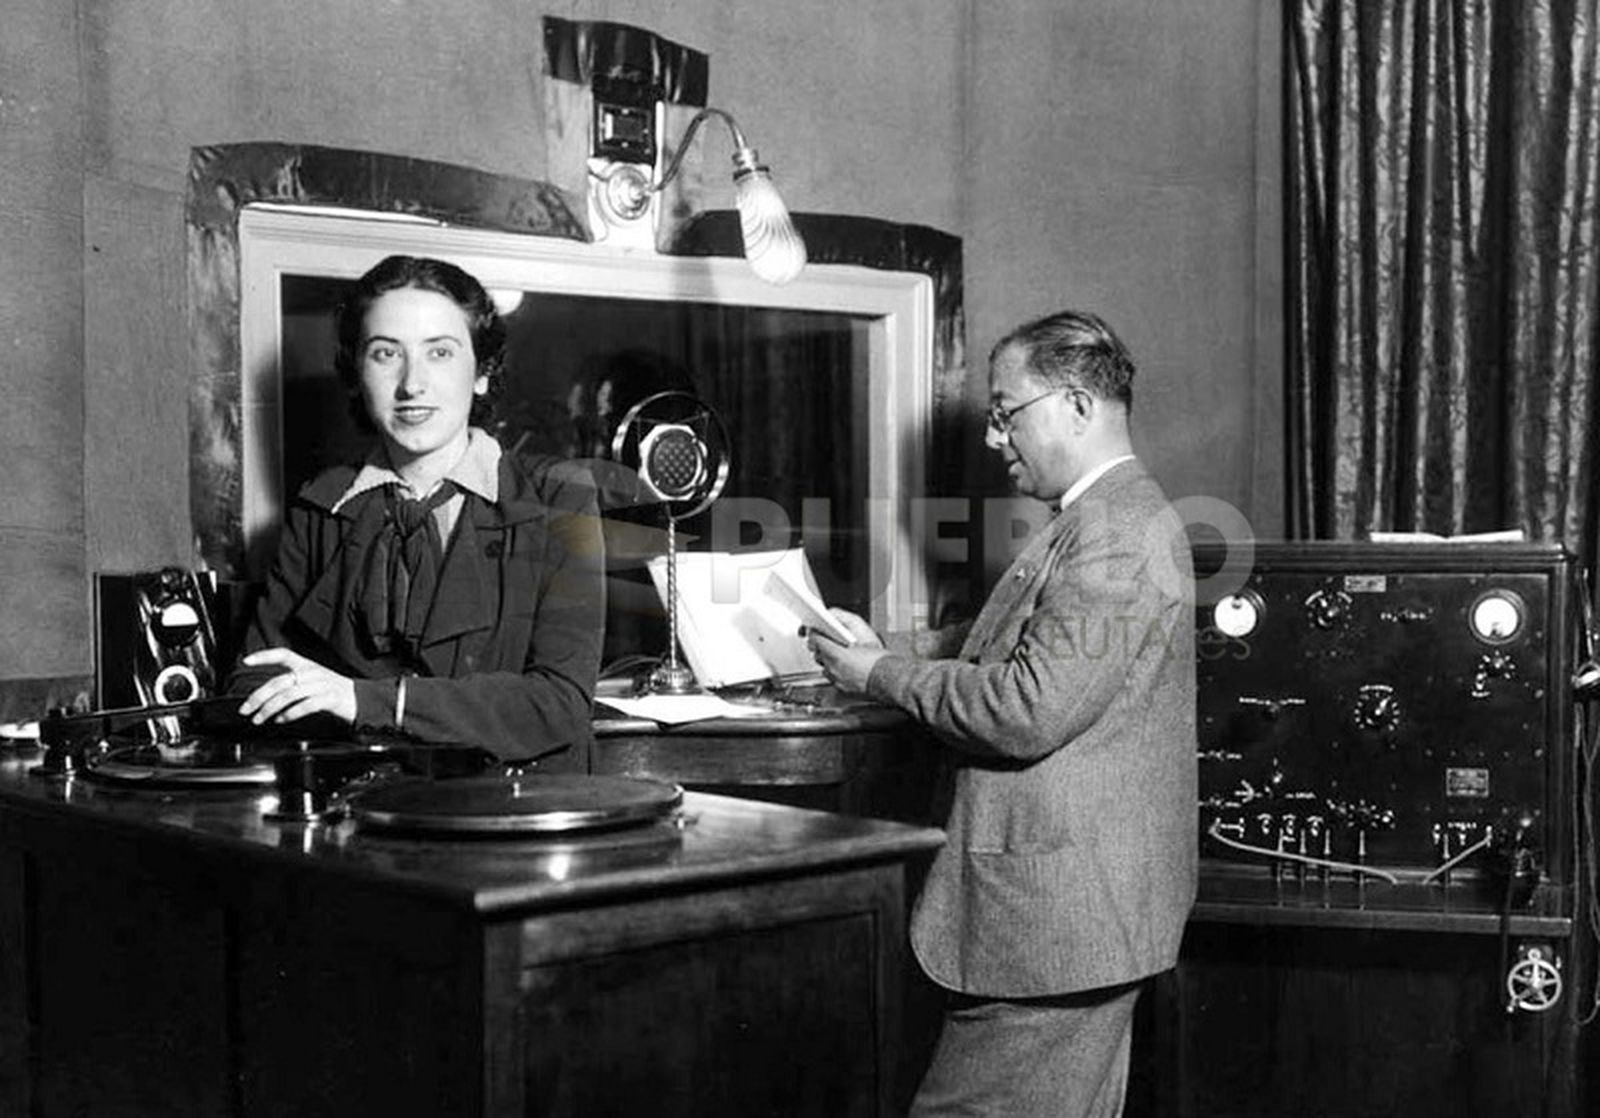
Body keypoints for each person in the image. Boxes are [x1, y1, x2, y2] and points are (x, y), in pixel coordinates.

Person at [809, 309, 1197, 1117]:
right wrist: (881, 641)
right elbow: (997, 641)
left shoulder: (1116, 532)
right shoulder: (1098, 520)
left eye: (1005, 411)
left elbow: (1027, 706)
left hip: (1054, 930)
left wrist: (877, 674)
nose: (994, 436)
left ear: (1078, 405)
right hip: (1072, 923)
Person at [229, 255, 604, 769]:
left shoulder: (560, 498)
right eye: (386, 354)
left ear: (482, 374)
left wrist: (367, 701)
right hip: (365, 819)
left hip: (519, 818)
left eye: (440, 353)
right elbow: (255, 678)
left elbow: (559, 705)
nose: (412, 384)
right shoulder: (322, 504)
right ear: (357, 374)